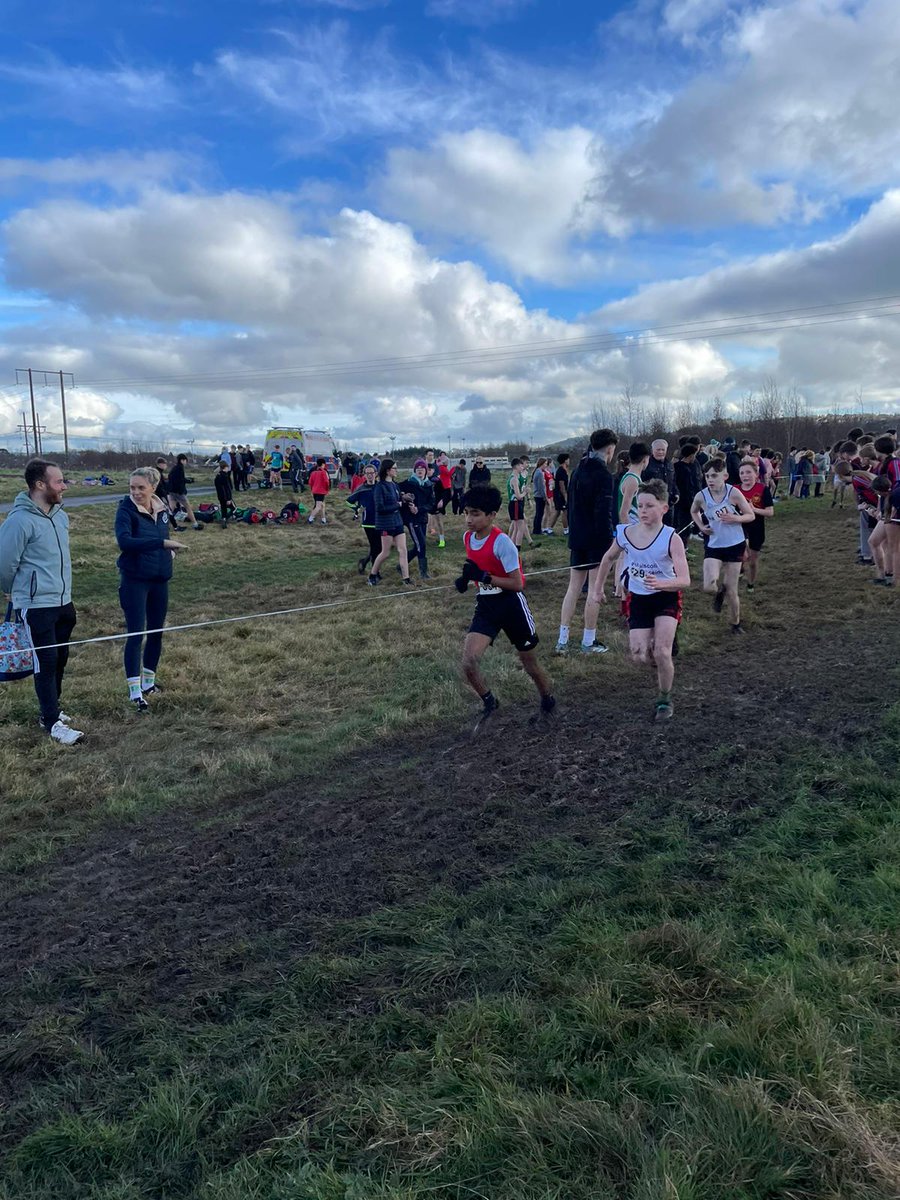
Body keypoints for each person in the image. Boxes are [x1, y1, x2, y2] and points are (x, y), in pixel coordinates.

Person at [455, 483, 555, 727]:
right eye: (467, 512)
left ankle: (547, 699)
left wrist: (485, 578)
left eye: (476, 514)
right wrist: (466, 578)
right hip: (487, 606)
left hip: (512, 606)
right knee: (468, 662)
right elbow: (475, 567)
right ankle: (490, 703)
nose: (469, 519)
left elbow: (518, 584)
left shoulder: (504, 544)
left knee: (529, 664)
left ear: (492, 515)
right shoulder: (468, 537)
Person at [590, 479, 690, 721]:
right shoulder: (625, 532)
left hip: (666, 596)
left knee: (662, 652)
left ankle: (664, 699)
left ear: (664, 508)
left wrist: (662, 583)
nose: (643, 511)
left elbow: (685, 579)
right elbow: (608, 558)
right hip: (639, 599)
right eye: (640, 505)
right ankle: (662, 647)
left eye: (649, 506)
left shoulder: (671, 538)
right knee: (639, 655)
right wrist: (597, 588)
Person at [0, 458, 84, 744]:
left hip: (64, 601)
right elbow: (4, 562)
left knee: (60, 657)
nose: (64, 486)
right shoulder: (19, 520)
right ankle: (51, 723)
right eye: (59, 481)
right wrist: (13, 591)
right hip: (35, 606)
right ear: (40, 485)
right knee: (45, 661)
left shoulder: (60, 515)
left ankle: (53, 710)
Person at [115, 467, 185, 713]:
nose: (135, 492)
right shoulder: (125, 511)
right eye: (132, 487)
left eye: (140, 487)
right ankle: (135, 692)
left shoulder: (162, 509)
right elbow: (125, 542)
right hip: (135, 580)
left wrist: (169, 552)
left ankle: (148, 684)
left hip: (159, 579)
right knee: (136, 634)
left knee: (156, 632)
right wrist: (161, 543)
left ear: (153, 488)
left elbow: (161, 533)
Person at [556, 428, 618, 656]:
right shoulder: (603, 474)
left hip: (577, 537)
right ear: (610, 450)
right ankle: (588, 641)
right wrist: (611, 542)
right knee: (594, 589)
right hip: (595, 540)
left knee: (573, 588)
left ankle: (562, 641)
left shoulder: (578, 469)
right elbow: (603, 513)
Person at [691, 458, 757, 634]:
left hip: (735, 544)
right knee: (708, 586)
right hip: (714, 545)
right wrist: (701, 526)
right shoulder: (701, 496)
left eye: (714, 475)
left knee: (732, 590)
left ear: (725, 476)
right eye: (707, 476)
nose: (710, 480)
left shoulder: (733, 494)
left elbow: (750, 515)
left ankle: (735, 624)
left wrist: (737, 518)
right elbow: (693, 511)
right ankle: (719, 590)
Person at [369, 459, 412, 586]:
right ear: (388, 470)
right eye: (395, 468)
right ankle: (372, 575)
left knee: (403, 550)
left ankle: (406, 579)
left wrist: (405, 498)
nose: (396, 470)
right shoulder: (379, 487)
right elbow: (380, 508)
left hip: (398, 522)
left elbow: (399, 500)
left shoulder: (394, 485)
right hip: (386, 524)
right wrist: (397, 504)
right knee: (385, 553)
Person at [736, 459, 774, 590]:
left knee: (752, 560)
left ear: (756, 474)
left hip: (756, 528)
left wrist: (753, 509)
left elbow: (770, 512)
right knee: (741, 554)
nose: (745, 476)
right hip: (739, 527)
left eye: (748, 472)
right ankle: (740, 568)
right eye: (742, 473)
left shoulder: (762, 489)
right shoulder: (735, 489)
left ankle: (750, 583)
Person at [402, 459, 435, 579]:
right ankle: (423, 573)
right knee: (421, 544)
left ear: (426, 470)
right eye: (418, 468)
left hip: (422, 518)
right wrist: (404, 498)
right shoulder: (408, 483)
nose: (420, 470)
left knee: (419, 546)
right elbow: (397, 491)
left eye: (422, 468)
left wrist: (419, 509)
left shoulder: (429, 484)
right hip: (411, 519)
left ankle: (402, 565)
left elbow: (431, 503)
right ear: (414, 470)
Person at [348, 463, 380, 576]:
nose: (370, 475)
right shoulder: (361, 489)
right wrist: (357, 508)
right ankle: (375, 572)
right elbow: (348, 501)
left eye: (372, 473)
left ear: (376, 474)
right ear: (365, 475)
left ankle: (365, 562)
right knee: (376, 547)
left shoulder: (380, 486)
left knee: (378, 547)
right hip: (368, 523)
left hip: (381, 521)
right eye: (368, 473)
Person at [641, 439, 678, 523]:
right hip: (653, 503)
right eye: (658, 450)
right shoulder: (647, 465)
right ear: (652, 450)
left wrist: (676, 494)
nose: (660, 452)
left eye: (663, 450)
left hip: (668, 503)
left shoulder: (670, 464)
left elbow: (673, 481)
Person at [673, 443, 702, 546]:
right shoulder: (681, 469)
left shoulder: (689, 467)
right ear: (690, 455)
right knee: (683, 527)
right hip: (684, 503)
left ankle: (685, 548)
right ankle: (681, 548)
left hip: (688, 501)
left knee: (687, 527)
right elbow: (685, 487)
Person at [167, 453, 203, 531]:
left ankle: (165, 523)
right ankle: (195, 524)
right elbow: (180, 480)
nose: (186, 462)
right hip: (179, 492)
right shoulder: (180, 468)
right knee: (188, 507)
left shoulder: (174, 468)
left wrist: (187, 480)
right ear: (182, 460)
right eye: (185, 460)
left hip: (171, 491)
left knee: (170, 509)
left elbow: (172, 478)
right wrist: (183, 488)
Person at [617, 442, 650, 526]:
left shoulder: (634, 477)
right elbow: (623, 513)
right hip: (632, 527)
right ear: (645, 459)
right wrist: (630, 536)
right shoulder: (632, 480)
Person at [506, 457, 528, 550]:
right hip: (515, 503)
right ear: (516, 466)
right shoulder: (514, 479)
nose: (522, 468)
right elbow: (518, 495)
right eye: (521, 465)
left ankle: (510, 547)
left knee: (516, 527)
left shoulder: (514, 477)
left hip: (515, 504)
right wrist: (525, 492)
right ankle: (517, 547)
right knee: (520, 527)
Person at [545, 452, 570, 534]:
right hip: (560, 495)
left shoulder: (563, 470)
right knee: (565, 511)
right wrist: (565, 496)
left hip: (558, 494)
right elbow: (561, 485)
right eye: (568, 459)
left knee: (558, 511)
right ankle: (566, 530)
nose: (569, 461)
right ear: (565, 460)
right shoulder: (561, 471)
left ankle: (550, 529)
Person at [307, 458, 330, 524]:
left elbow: (310, 482)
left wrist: (312, 489)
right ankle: (310, 519)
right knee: (318, 506)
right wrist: (327, 489)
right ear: (323, 464)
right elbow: (326, 482)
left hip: (314, 491)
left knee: (322, 505)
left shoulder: (313, 473)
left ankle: (323, 520)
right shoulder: (324, 472)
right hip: (321, 491)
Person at [531, 457, 549, 536]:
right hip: (539, 496)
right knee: (539, 514)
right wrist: (545, 498)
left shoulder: (538, 472)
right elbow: (541, 488)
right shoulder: (539, 473)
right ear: (541, 463)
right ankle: (537, 530)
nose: (546, 465)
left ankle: (536, 529)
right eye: (545, 463)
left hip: (537, 495)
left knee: (538, 513)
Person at [214, 460, 235, 526]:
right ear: (225, 467)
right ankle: (226, 518)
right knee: (233, 509)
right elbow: (226, 488)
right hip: (226, 496)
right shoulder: (224, 476)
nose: (228, 469)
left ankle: (224, 518)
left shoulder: (217, 476)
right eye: (227, 467)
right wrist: (228, 498)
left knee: (223, 508)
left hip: (220, 496)